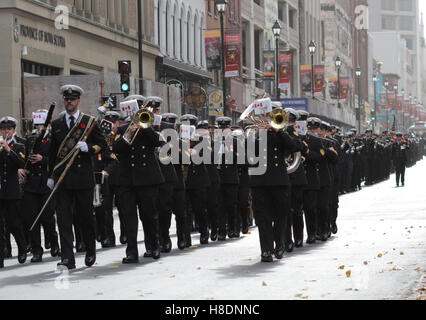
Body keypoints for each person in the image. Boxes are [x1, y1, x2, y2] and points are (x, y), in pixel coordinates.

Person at [48, 85, 107, 270]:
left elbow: (102, 145)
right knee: (64, 220)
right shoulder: (57, 125)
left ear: (78, 101)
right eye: (67, 99)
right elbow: (52, 153)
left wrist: (88, 148)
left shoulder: (88, 122)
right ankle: (67, 258)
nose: (69, 102)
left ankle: (90, 250)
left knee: (85, 219)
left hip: (82, 179)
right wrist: (51, 176)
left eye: (72, 99)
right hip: (63, 180)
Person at [113, 105, 165, 263]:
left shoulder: (150, 129)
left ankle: (154, 246)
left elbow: (158, 142)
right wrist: (129, 132)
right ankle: (132, 252)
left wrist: (145, 126)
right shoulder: (122, 130)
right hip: (127, 179)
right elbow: (116, 148)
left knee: (149, 215)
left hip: (147, 179)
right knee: (129, 218)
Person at [249, 111, 303, 262]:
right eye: (265, 117)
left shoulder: (283, 134)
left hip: (279, 181)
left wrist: (278, 131)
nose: (267, 120)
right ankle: (266, 250)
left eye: (270, 117)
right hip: (259, 182)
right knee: (262, 217)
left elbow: (295, 147)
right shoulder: (253, 134)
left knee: (281, 215)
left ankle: (279, 244)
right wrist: (255, 135)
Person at [20, 109, 60, 263]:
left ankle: (54, 240)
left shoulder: (52, 138)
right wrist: (22, 169)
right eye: (36, 125)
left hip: (46, 182)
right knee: (32, 218)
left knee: (47, 216)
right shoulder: (30, 139)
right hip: (31, 184)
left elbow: (56, 159)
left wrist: (43, 159)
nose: (38, 128)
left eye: (41, 125)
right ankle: (37, 250)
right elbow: (25, 158)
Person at [0, 116, 28, 268]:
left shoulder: (18, 146)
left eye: (9, 129)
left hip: (11, 190)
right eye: (3, 129)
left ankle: (22, 247)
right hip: (0, 190)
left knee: (13, 223)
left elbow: (21, 162)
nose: (6, 132)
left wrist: (7, 149)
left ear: (14, 130)